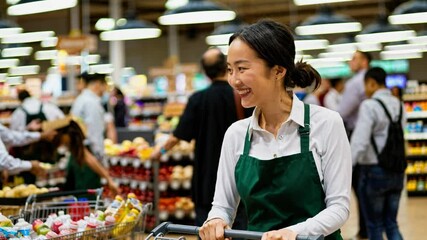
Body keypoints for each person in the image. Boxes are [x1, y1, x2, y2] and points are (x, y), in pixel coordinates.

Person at [199, 20, 351, 240]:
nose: (234, 80)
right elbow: (223, 206)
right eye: (230, 70)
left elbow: (339, 207)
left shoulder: (326, 124)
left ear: (278, 70)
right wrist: (215, 220)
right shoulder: (236, 134)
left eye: (242, 69)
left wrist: (294, 232)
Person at [151, 47, 251, 229]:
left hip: (207, 177)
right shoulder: (242, 96)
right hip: (240, 174)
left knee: (208, 227)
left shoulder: (198, 99)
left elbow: (178, 135)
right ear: (226, 68)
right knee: (241, 227)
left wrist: (160, 151)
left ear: (205, 72)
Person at [351, 67, 405, 240]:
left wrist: (347, 166)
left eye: (366, 85)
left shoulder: (369, 105)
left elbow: (360, 141)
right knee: (392, 223)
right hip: (397, 171)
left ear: (372, 83)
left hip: (373, 171)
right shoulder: (399, 104)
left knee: (374, 225)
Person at [337, 50, 372, 239]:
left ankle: (365, 230)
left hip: (355, 136)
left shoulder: (355, 83)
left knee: (360, 188)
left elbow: (340, 113)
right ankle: (367, 229)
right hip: (374, 145)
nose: (350, 62)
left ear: (364, 62)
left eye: (354, 58)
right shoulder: (371, 80)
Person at [47, 118, 119, 197]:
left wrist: (108, 179)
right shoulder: (47, 135)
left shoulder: (75, 147)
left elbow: (88, 158)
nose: (66, 144)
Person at [9, 89, 65, 184]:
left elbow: (12, 136)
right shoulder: (48, 106)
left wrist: (27, 129)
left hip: (28, 156)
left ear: (20, 100)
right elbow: (63, 121)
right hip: (48, 152)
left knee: (31, 183)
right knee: (50, 178)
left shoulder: (18, 113)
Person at [71, 72, 108, 158]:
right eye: (105, 85)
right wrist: (100, 156)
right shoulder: (91, 103)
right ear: (98, 84)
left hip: (79, 150)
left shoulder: (81, 99)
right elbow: (94, 133)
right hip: (89, 153)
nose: (106, 89)